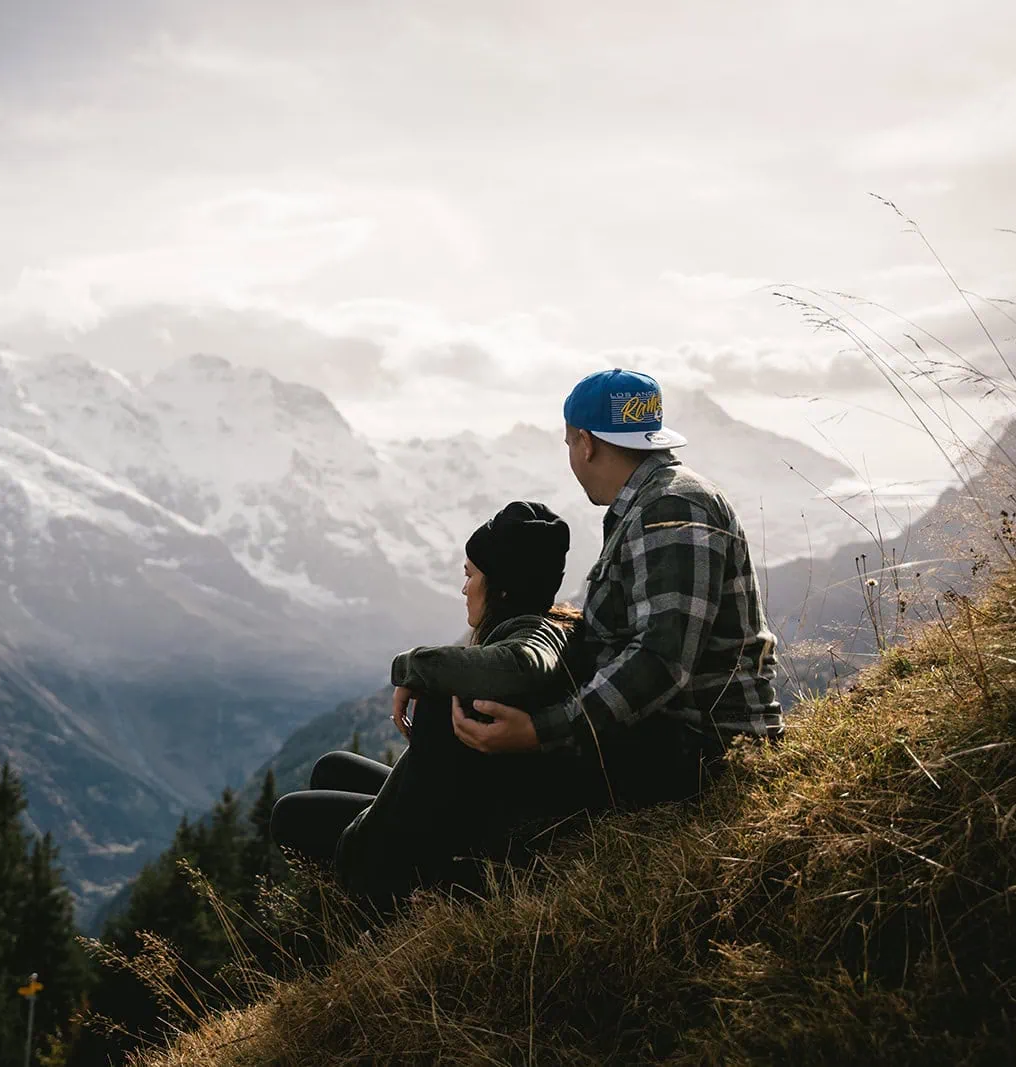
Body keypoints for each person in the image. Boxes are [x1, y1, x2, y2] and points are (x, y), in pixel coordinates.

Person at [453, 369, 783, 805]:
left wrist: (542, 732)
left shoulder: (670, 508)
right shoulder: (652, 502)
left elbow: (661, 661)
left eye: (569, 443)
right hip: (670, 737)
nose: (572, 456)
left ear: (586, 443)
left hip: (704, 751)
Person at [269, 501, 592, 904]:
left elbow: (523, 665)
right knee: (333, 768)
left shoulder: (534, 638)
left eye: (470, 575)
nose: (464, 588)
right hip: (479, 804)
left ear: (502, 586)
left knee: (290, 816)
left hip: (472, 835)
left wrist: (415, 668)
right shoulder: (549, 624)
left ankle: (374, 900)